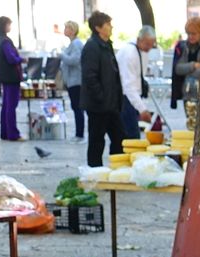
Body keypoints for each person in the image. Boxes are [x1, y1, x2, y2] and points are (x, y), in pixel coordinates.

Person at [81, 11, 125, 168]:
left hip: (111, 104)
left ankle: (117, 170)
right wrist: (100, 96)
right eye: (107, 24)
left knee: (120, 138)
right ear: (98, 28)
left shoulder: (107, 44)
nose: (111, 27)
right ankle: (95, 173)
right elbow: (90, 76)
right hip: (98, 105)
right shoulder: (92, 47)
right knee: (96, 141)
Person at [117, 25, 156, 141]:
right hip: (124, 98)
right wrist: (142, 109)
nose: (149, 47)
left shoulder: (141, 51)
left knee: (132, 134)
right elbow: (128, 86)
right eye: (147, 44)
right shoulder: (129, 54)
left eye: (152, 44)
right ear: (139, 39)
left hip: (131, 97)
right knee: (131, 135)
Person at [0, 16, 23, 141]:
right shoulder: (5, 41)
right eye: (9, 25)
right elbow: (11, 58)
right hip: (11, 77)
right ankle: (12, 133)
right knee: (11, 106)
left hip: (4, 77)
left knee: (6, 105)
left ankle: (5, 132)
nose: (10, 27)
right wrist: (21, 59)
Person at [171, 16, 200, 116]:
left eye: (193, 33)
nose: (190, 36)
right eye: (188, 33)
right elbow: (178, 69)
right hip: (187, 92)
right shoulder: (182, 47)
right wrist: (193, 65)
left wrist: (187, 70)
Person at [59, 20, 85, 140]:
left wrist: (62, 55)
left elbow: (75, 60)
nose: (65, 30)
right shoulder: (72, 44)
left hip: (76, 80)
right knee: (75, 107)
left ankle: (80, 134)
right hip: (71, 80)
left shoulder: (76, 44)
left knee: (77, 107)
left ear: (73, 30)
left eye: (67, 28)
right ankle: (78, 133)